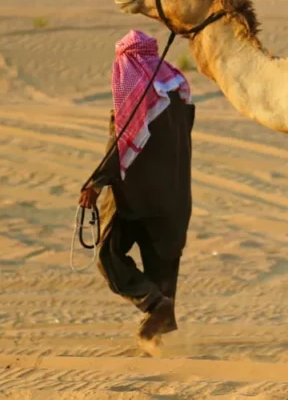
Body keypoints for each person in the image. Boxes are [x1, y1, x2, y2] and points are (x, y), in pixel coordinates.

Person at [78, 30, 195, 355]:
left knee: (108, 255)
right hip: (173, 197)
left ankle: (155, 309)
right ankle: (158, 335)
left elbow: (122, 143)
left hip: (132, 195)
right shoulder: (177, 89)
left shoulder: (136, 95)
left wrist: (96, 182)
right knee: (163, 267)